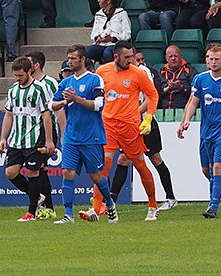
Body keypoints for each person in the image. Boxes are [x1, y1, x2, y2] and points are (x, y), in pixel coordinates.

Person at [49, 45, 118, 224]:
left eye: (73, 58)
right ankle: (68, 214)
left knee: (95, 176)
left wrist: (77, 99)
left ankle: (110, 205)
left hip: (92, 136)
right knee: (67, 172)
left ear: (83, 59)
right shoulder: (65, 83)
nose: (70, 62)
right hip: (72, 136)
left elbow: (99, 105)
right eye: (69, 58)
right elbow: (51, 105)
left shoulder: (95, 80)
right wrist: (65, 100)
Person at [91, 40, 160, 221]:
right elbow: (95, 95)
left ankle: (153, 205)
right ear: (116, 57)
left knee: (140, 165)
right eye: (127, 57)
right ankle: (95, 208)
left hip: (130, 126)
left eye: (132, 56)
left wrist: (148, 117)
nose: (131, 60)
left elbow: (153, 95)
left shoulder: (138, 73)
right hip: (108, 126)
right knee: (103, 166)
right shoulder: (102, 72)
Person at [110, 50, 178, 211]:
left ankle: (170, 197)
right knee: (123, 159)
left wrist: (133, 114)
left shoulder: (142, 72)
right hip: (129, 125)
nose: (129, 60)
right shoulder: (119, 73)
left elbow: (150, 97)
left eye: (130, 56)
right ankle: (111, 200)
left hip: (145, 123)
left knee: (155, 159)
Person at [0, 56, 55, 222]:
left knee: (33, 172)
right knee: (11, 173)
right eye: (15, 75)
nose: (18, 78)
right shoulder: (13, 90)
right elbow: (9, 114)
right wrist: (3, 137)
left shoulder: (39, 89)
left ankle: (31, 212)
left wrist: (49, 140)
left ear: (29, 71)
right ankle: (36, 196)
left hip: (34, 138)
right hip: (16, 140)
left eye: (20, 75)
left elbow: (46, 116)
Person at [178, 45, 221, 218]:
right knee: (207, 170)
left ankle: (212, 208)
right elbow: (192, 102)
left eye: (216, 59)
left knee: (218, 167)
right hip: (206, 133)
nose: (213, 62)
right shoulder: (200, 79)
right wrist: (186, 120)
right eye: (209, 58)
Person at [24, 51, 64, 220]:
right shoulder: (26, 84)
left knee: (38, 168)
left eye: (28, 63)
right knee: (41, 169)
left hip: (47, 132)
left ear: (36, 65)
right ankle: (49, 207)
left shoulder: (50, 83)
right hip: (30, 132)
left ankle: (41, 207)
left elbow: (59, 106)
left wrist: (62, 131)